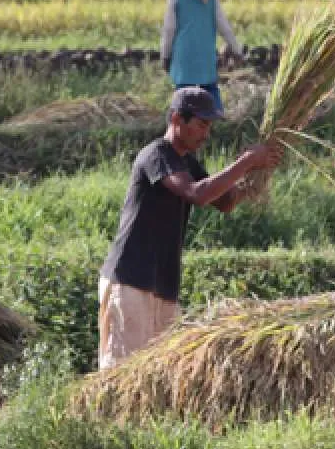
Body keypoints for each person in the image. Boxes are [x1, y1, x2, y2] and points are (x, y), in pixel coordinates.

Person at [97, 87, 283, 369]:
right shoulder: (157, 154)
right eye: (200, 124)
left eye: (208, 126)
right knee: (122, 371)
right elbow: (197, 193)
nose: (205, 134)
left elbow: (225, 202)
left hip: (160, 283)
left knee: (157, 372)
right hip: (131, 278)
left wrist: (256, 177)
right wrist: (245, 162)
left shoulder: (187, 162)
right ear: (176, 120)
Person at [160, 0, 243, 115]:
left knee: (183, 92)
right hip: (205, 54)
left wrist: (165, 55)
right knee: (210, 89)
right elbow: (224, 28)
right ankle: (217, 118)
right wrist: (237, 50)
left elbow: (169, 30)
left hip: (183, 54)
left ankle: (182, 122)